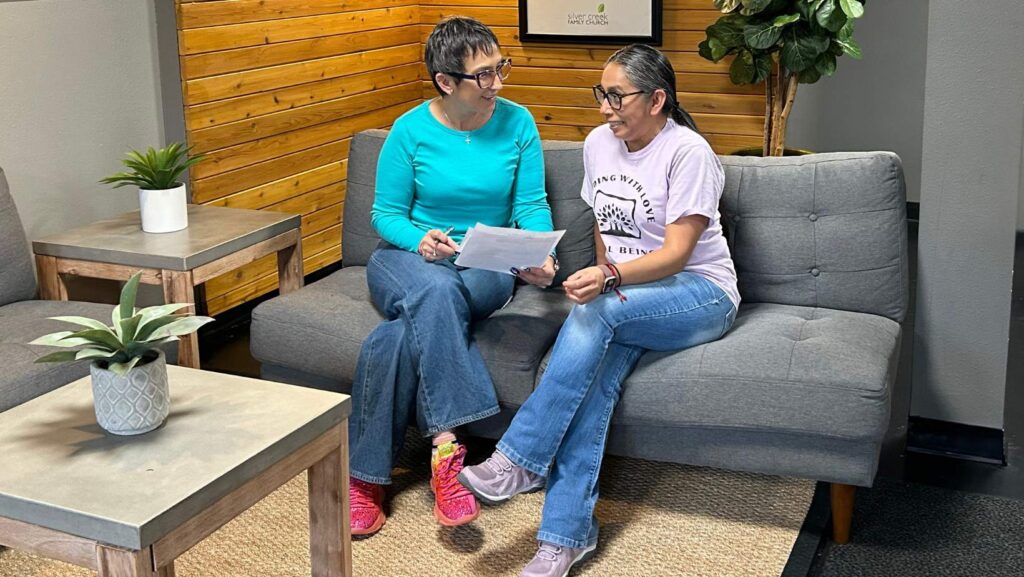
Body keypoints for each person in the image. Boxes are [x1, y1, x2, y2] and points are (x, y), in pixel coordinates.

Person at [459, 44, 741, 576]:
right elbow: (604, 226)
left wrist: (609, 281)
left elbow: (679, 253)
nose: (605, 107)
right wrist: (606, 272)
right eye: (601, 94)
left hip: (700, 292)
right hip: (631, 297)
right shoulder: (598, 144)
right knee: (597, 378)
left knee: (596, 316)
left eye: (617, 96)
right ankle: (565, 539)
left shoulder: (689, 153)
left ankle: (517, 460)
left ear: (657, 99)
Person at [347, 16, 559, 537]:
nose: (497, 84)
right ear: (446, 81)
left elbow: (530, 204)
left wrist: (542, 255)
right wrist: (419, 239)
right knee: (434, 287)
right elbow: (385, 214)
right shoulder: (410, 131)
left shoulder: (518, 123)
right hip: (407, 258)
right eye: (483, 75)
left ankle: (365, 478)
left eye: (499, 69)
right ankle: (448, 449)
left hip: (484, 265)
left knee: (397, 335)